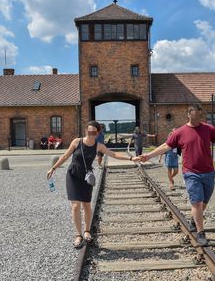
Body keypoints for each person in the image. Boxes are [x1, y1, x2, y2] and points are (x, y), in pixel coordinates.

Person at [46, 120, 136, 249]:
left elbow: (113, 154)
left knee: (87, 205)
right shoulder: (77, 142)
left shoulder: (99, 146)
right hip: (73, 175)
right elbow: (65, 156)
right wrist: (53, 168)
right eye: (89, 132)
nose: (91, 134)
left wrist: (131, 158)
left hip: (87, 177)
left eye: (94, 132)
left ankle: (87, 231)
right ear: (86, 131)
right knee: (76, 206)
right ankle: (78, 235)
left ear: (98, 133)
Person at [136, 104, 215, 246]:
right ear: (189, 115)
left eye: (199, 116)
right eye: (194, 116)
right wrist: (148, 156)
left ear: (201, 115)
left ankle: (193, 220)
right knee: (196, 201)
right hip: (191, 173)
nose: (197, 119)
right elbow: (166, 146)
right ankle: (201, 233)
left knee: (203, 203)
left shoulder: (209, 129)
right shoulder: (180, 132)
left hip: (208, 172)